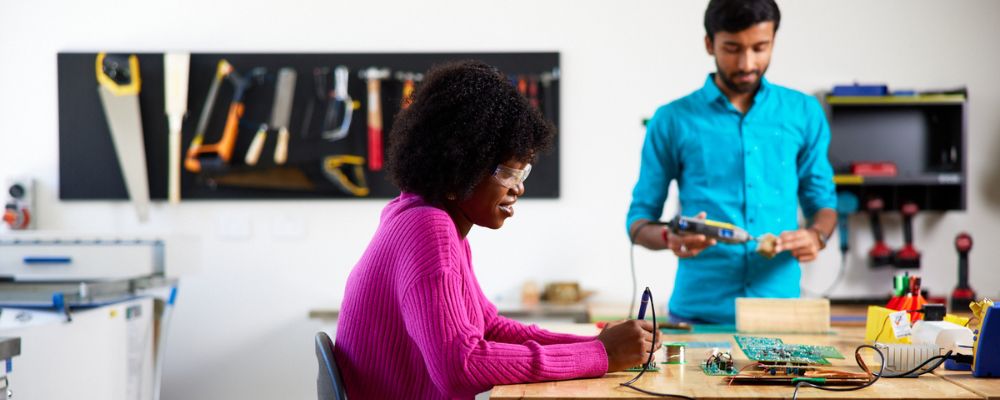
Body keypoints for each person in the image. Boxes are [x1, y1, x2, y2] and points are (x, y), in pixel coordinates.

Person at [335, 60, 660, 399]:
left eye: (523, 173)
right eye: (507, 173)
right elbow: (460, 367)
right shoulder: (427, 228)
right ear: (458, 167)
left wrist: (599, 345)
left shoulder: (422, 218)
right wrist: (600, 355)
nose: (517, 188)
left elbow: (489, 328)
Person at [626, 0, 837, 325]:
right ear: (709, 43)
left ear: (773, 41)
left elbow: (823, 205)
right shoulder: (671, 120)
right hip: (697, 317)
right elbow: (638, 222)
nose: (746, 63)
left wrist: (816, 236)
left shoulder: (804, 113)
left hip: (782, 315)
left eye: (760, 47)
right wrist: (671, 237)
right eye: (732, 48)